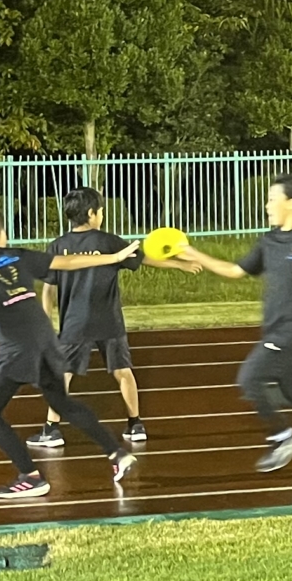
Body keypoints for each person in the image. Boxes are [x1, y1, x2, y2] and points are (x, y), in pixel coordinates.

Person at [0, 208, 142, 501]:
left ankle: (30, 476)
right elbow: (69, 262)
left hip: (17, 350)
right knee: (62, 402)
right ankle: (117, 453)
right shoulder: (17, 255)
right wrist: (114, 257)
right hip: (47, 342)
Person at [177, 174, 292, 474]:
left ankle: (282, 435)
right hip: (274, 328)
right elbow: (236, 270)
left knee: (249, 378)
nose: (266, 205)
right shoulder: (269, 240)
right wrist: (192, 253)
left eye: (271, 199)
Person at [38, 185, 194, 449]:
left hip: (75, 322)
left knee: (63, 374)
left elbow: (48, 290)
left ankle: (51, 430)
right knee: (123, 371)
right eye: (100, 211)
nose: (102, 215)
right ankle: (135, 424)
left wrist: (45, 322)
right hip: (108, 319)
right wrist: (179, 263)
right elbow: (143, 259)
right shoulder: (108, 242)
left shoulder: (58, 246)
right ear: (91, 214)